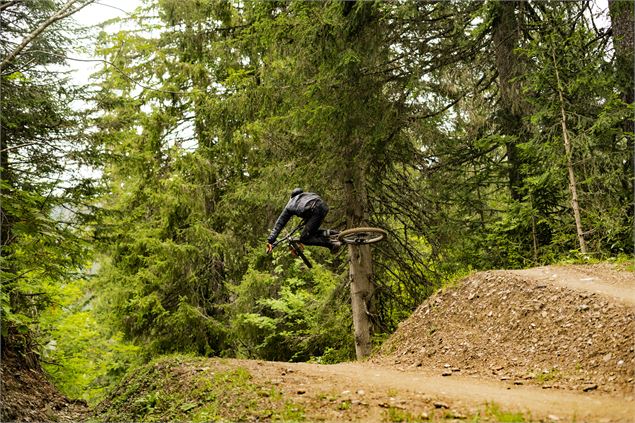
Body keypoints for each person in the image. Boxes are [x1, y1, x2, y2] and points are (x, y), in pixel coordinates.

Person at [266, 188, 341, 254]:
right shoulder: (307, 195)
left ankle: (332, 244)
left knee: (304, 239)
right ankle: (334, 233)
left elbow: (279, 224)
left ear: (291, 196)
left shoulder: (289, 205)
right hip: (323, 207)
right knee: (311, 232)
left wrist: (270, 241)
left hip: (314, 211)